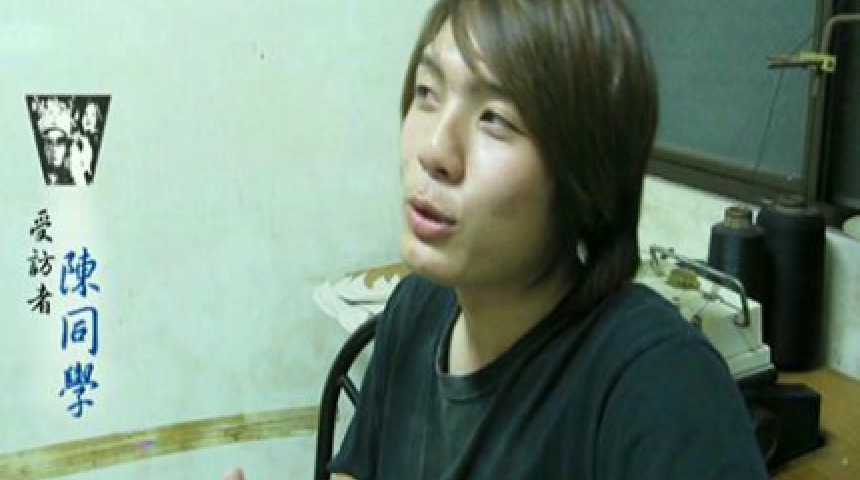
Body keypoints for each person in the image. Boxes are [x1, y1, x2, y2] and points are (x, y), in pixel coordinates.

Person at [226, 0, 768, 479]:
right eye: (427, 92)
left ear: (584, 175)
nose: (435, 150)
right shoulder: (417, 309)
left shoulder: (660, 386)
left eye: (496, 119)